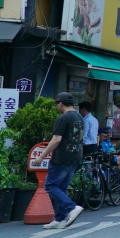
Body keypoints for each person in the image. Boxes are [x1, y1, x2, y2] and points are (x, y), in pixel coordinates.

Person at [40, 92, 86, 229]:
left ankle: (71, 208)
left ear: (60, 103)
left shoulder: (63, 118)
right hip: (76, 155)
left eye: (57, 104)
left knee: (50, 185)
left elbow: (56, 139)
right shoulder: (79, 117)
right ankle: (59, 219)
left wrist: (42, 156)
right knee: (61, 187)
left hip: (62, 157)